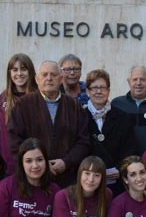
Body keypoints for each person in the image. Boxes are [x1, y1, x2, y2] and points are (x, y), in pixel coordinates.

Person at [7, 60, 91, 188]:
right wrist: (39, 164)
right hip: (32, 179)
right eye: (44, 75)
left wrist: (66, 162)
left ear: (61, 79)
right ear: (37, 79)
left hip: (67, 179)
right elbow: (15, 141)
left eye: (53, 75)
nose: (49, 78)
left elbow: (83, 141)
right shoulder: (23, 105)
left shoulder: (74, 107)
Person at [84, 69, 137, 195]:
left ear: (108, 90)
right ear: (87, 91)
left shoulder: (123, 117)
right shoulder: (80, 117)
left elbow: (130, 149)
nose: (99, 91)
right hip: (88, 183)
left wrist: (120, 169)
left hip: (116, 183)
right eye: (94, 88)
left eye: (103, 87)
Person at [0, 53, 37, 175]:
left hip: (31, 162)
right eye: (15, 70)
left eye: (23, 69)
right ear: (10, 73)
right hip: (5, 162)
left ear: (30, 72)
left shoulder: (38, 97)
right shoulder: (3, 98)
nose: (19, 74)